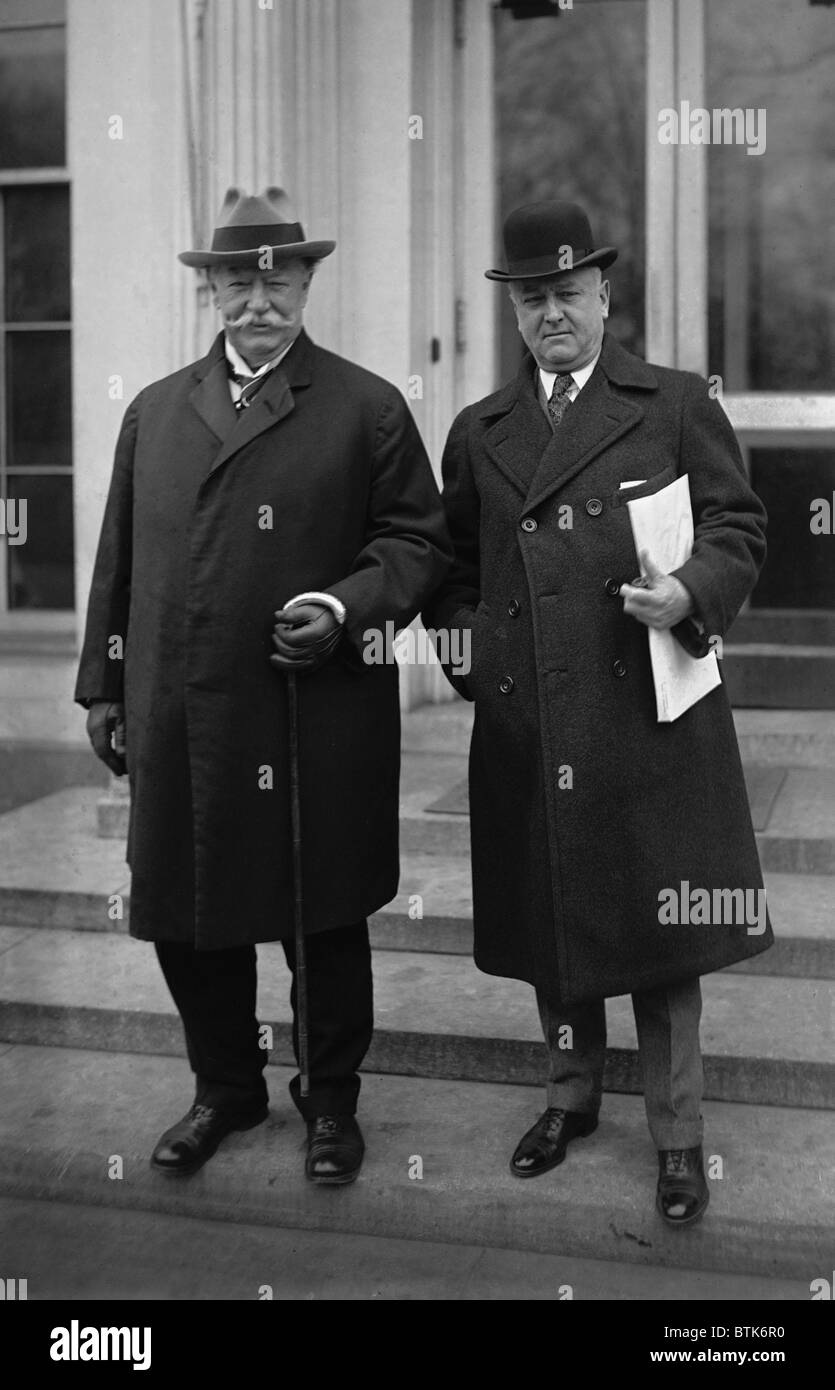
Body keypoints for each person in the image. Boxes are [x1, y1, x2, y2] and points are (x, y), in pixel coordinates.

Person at [76, 186, 451, 1184]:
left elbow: (418, 542)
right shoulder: (155, 410)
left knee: (319, 916)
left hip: (310, 710)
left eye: (278, 277)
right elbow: (118, 563)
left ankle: (330, 1103)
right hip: (181, 706)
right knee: (187, 908)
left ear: (307, 283)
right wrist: (103, 687)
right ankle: (224, 1089)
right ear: (212, 289)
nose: (259, 298)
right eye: (239, 279)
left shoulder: (367, 406)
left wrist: (343, 607)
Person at [423, 199, 773, 1227]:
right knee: (554, 925)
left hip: (651, 719)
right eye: (532, 299)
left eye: (568, 293)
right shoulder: (481, 432)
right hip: (533, 722)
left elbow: (739, 526)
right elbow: (446, 573)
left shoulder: (668, 404)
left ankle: (677, 1135)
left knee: (662, 943)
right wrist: (480, 662)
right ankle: (569, 1100)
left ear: (604, 294)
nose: (552, 315)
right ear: (514, 312)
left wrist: (691, 592)